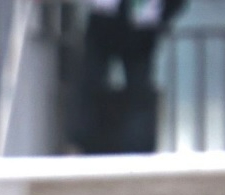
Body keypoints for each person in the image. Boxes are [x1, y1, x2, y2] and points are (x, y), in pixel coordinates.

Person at [68, 0, 188, 154]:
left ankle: (137, 146)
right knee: (91, 83)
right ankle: (84, 140)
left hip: (138, 27)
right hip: (111, 23)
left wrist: (161, 18)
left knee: (137, 90)